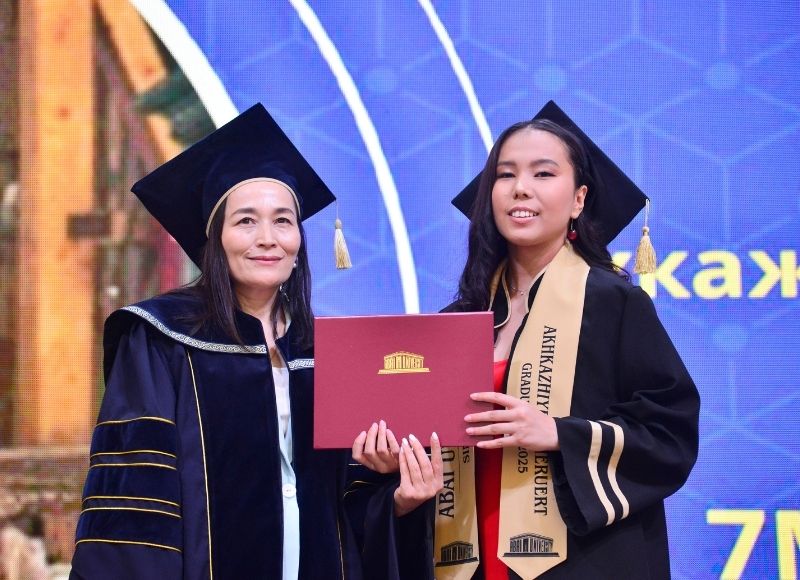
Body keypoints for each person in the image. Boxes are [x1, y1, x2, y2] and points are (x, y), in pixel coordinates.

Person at [69, 103, 442, 580]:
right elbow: (136, 500)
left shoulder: (327, 351)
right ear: (216, 239)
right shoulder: (161, 339)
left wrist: (397, 497)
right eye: (246, 221)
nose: (268, 238)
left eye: (283, 221)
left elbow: (350, 505)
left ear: (299, 242)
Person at [434, 101, 700, 579]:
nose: (521, 188)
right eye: (506, 174)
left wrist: (559, 433)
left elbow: (668, 435)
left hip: (581, 559)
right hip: (470, 552)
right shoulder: (459, 319)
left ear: (579, 199)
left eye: (543, 173)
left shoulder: (614, 304)